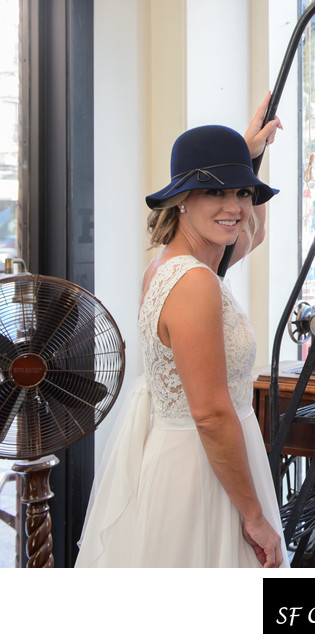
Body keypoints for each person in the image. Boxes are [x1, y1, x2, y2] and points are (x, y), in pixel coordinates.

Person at [76, 96, 288, 568]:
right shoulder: (193, 282)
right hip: (200, 472)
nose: (234, 207)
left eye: (243, 192)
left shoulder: (170, 266)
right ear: (181, 199)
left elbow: (249, 234)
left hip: (192, 457)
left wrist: (250, 156)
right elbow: (211, 414)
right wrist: (253, 516)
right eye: (216, 192)